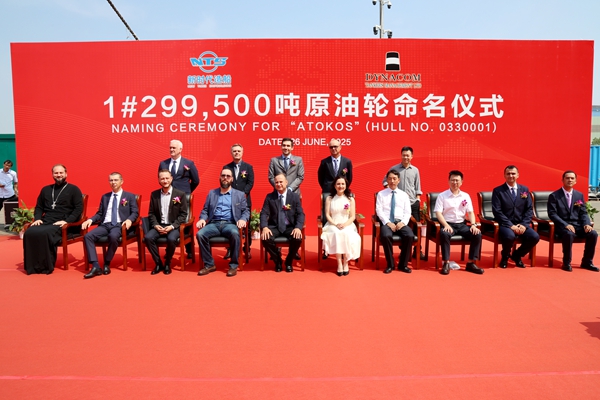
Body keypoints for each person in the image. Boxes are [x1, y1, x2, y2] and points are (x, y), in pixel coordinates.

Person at [23, 164, 83, 275]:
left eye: (61, 173)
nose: (58, 175)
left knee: (46, 233)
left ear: (66, 174)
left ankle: (45, 266)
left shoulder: (74, 189)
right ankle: (32, 266)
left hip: (64, 222)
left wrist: (67, 221)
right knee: (29, 232)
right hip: (46, 220)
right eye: (56, 173)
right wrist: (37, 218)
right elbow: (39, 207)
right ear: (52, 175)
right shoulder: (45, 189)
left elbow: (78, 209)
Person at [81, 173, 139, 279]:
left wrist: (129, 220)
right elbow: (100, 213)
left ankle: (107, 262)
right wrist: (90, 220)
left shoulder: (129, 196)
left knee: (113, 236)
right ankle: (95, 266)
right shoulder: (105, 197)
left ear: (122, 181)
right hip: (105, 225)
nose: (113, 182)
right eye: (111, 180)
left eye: (116, 180)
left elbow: (135, 212)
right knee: (88, 236)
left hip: (119, 225)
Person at [196, 168, 250, 277]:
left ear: (232, 179)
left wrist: (243, 219)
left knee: (235, 234)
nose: (225, 178)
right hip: (213, 223)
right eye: (223, 176)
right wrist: (202, 219)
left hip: (230, 224)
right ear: (220, 177)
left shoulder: (239, 195)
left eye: (228, 176)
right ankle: (209, 264)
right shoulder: (212, 193)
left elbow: (246, 211)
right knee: (200, 234)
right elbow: (205, 210)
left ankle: (233, 265)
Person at [434, 170, 484, 275]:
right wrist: (446, 225)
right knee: (444, 233)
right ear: (448, 181)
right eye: (452, 180)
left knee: (477, 234)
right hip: (448, 224)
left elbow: (470, 212)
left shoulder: (465, 196)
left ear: (461, 182)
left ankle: (470, 263)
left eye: (457, 180)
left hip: (462, 225)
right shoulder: (442, 196)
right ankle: (446, 262)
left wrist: (473, 225)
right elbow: (438, 213)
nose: (455, 182)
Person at [548, 170, 598, 272]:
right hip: (562, 226)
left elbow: (583, 213)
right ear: (562, 180)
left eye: (572, 178)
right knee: (569, 234)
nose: (570, 180)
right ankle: (566, 263)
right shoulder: (554, 195)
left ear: (575, 181)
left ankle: (587, 262)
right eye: (567, 178)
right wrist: (565, 224)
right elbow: (552, 214)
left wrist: (587, 224)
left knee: (593, 233)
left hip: (577, 225)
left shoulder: (579, 195)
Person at [491, 165, 539, 268]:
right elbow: (497, 211)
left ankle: (517, 255)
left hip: (521, 223)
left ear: (518, 175)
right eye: (508, 174)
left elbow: (529, 209)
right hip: (505, 224)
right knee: (509, 236)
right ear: (504, 175)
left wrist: (524, 224)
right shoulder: (498, 191)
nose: (511, 176)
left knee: (534, 237)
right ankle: (505, 256)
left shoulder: (524, 189)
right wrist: (510, 225)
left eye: (513, 173)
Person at [158, 139, 199, 259]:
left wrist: (186, 192)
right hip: (168, 196)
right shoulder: (163, 164)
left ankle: (189, 249)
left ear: (180, 149)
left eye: (174, 148)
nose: (171, 150)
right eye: (170, 147)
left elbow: (196, 180)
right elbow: (160, 178)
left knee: (185, 221)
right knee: (169, 219)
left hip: (183, 196)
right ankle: (169, 248)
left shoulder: (189, 163)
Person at [382, 146, 424, 259]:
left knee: (416, 227)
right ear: (401, 156)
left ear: (412, 156)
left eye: (408, 155)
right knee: (402, 227)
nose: (406, 157)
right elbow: (385, 181)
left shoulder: (415, 170)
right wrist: (391, 190)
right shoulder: (394, 169)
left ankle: (417, 250)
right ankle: (404, 251)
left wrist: (418, 199)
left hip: (412, 203)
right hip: (398, 204)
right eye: (404, 155)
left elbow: (417, 187)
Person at [144, 169, 188, 275]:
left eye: (167, 178)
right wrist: (155, 225)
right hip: (159, 225)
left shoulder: (180, 194)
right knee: (148, 238)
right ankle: (158, 263)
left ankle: (167, 262)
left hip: (173, 226)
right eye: (162, 178)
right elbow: (151, 213)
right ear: (159, 180)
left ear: (171, 179)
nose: (165, 181)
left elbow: (183, 214)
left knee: (171, 239)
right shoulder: (154, 194)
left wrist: (172, 226)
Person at [260, 173, 305, 272]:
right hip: (275, 226)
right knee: (265, 238)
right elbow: (264, 213)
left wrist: (298, 227)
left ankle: (288, 262)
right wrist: (265, 227)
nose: (279, 184)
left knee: (297, 238)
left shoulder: (294, 196)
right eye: (276, 182)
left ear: (286, 182)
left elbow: (300, 214)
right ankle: (278, 261)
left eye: (281, 182)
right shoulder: (270, 197)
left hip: (290, 226)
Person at [376, 169, 414, 274]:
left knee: (409, 235)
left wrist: (403, 222)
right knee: (385, 236)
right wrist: (388, 222)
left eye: (394, 179)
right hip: (387, 222)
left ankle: (403, 264)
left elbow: (408, 212)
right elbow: (379, 211)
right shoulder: (381, 194)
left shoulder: (404, 195)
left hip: (400, 222)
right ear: (387, 180)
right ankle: (390, 264)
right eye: (390, 179)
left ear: (398, 180)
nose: (392, 181)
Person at [321, 176, 361, 276]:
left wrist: (344, 224)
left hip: (347, 223)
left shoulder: (350, 199)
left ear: (346, 185)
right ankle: (339, 263)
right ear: (334, 186)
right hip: (333, 223)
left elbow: (352, 216)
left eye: (343, 184)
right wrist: (335, 224)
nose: (340, 186)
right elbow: (327, 215)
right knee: (336, 233)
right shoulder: (329, 198)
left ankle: (345, 262)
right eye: (338, 184)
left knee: (346, 233)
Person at [222, 143, 254, 260]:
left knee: (247, 226)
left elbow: (250, 183)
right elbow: (225, 182)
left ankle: (247, 249)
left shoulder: (248, 167)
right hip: (229, 201)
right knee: (229, 223)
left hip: (245, 200)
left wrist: (242, 194)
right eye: (234, 151)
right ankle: (229, 250)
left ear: (242, 152)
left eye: (238, 151)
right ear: (231, 153)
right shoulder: (226, 167)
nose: (237, 153)